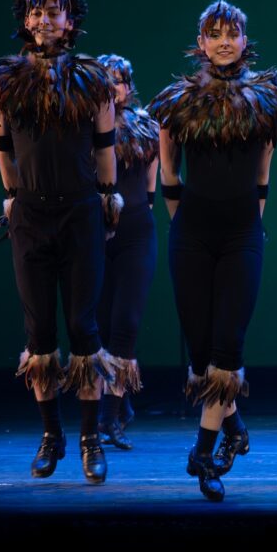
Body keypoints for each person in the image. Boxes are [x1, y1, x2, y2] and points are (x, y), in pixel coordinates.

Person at [149, 0, 277, 501]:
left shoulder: (264, 101)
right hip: (191, 233)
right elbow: (168, 173)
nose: (223, 41)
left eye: (231, 33)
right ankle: (233, 426)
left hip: (242, 235)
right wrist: (184, 226)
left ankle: (203, 454)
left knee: (227, 348)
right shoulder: (178, 101)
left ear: (244, 40)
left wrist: (249, 231)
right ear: (200, 43)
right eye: (213, 33)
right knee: (200, 357)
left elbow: (262, 177)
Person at [0, 0, 120, 483]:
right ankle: (50, 435)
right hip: (31, 215)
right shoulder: (5, 80)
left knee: (84, 326)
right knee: (38, 330)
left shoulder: (92, 79)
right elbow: (5, 150)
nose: (45, 21)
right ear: (24, 20)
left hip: (82, 211)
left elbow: (105, 148)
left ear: (70, 20)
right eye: (36, 13)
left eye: (54, 12)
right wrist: (14, 198)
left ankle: (89, 439)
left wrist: (108, 197)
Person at [94, 53, 159, 450]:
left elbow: (150, 184)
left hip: (135, 232)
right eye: (105, 80)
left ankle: (109, 415)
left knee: (126, 321)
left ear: (129, 86)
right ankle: (117, 402)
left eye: (119, 80)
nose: (113, 87)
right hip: (95, 235)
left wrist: (141, 215)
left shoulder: (144, 127)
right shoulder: (82, 129)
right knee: (99, 324)